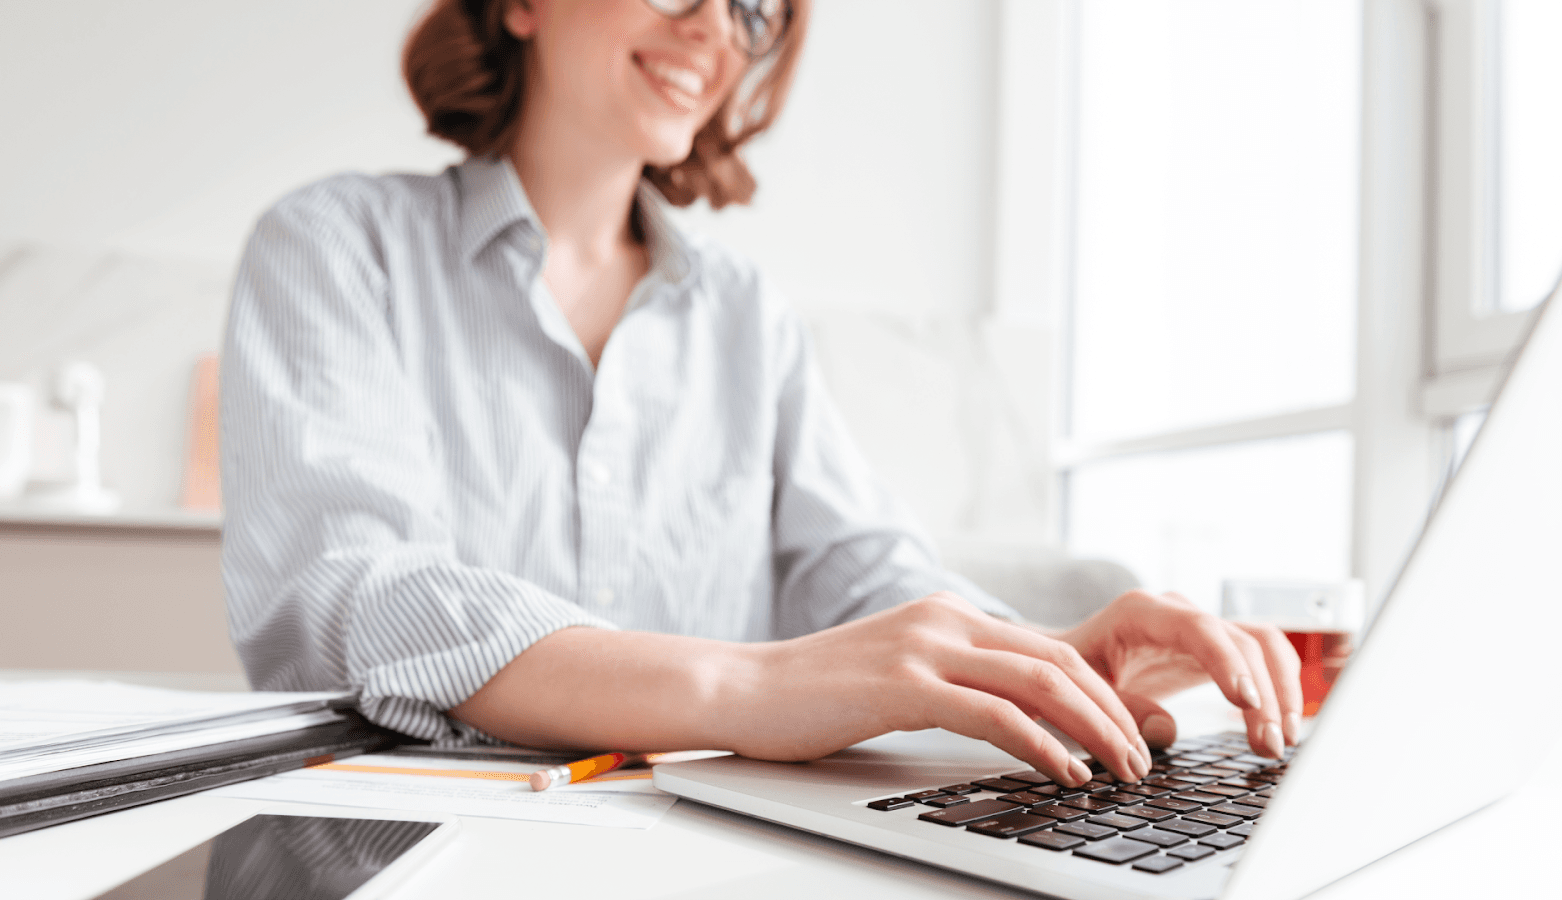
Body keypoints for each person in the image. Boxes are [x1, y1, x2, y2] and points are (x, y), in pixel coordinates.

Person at [221, 0, 1302, 789]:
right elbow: (353, 594)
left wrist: (1041, 660)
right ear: (519, 5)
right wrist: (745, 690)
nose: (714, 29)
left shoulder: (744, 314)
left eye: (751, 8)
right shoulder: (332, 246)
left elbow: (864, 573)